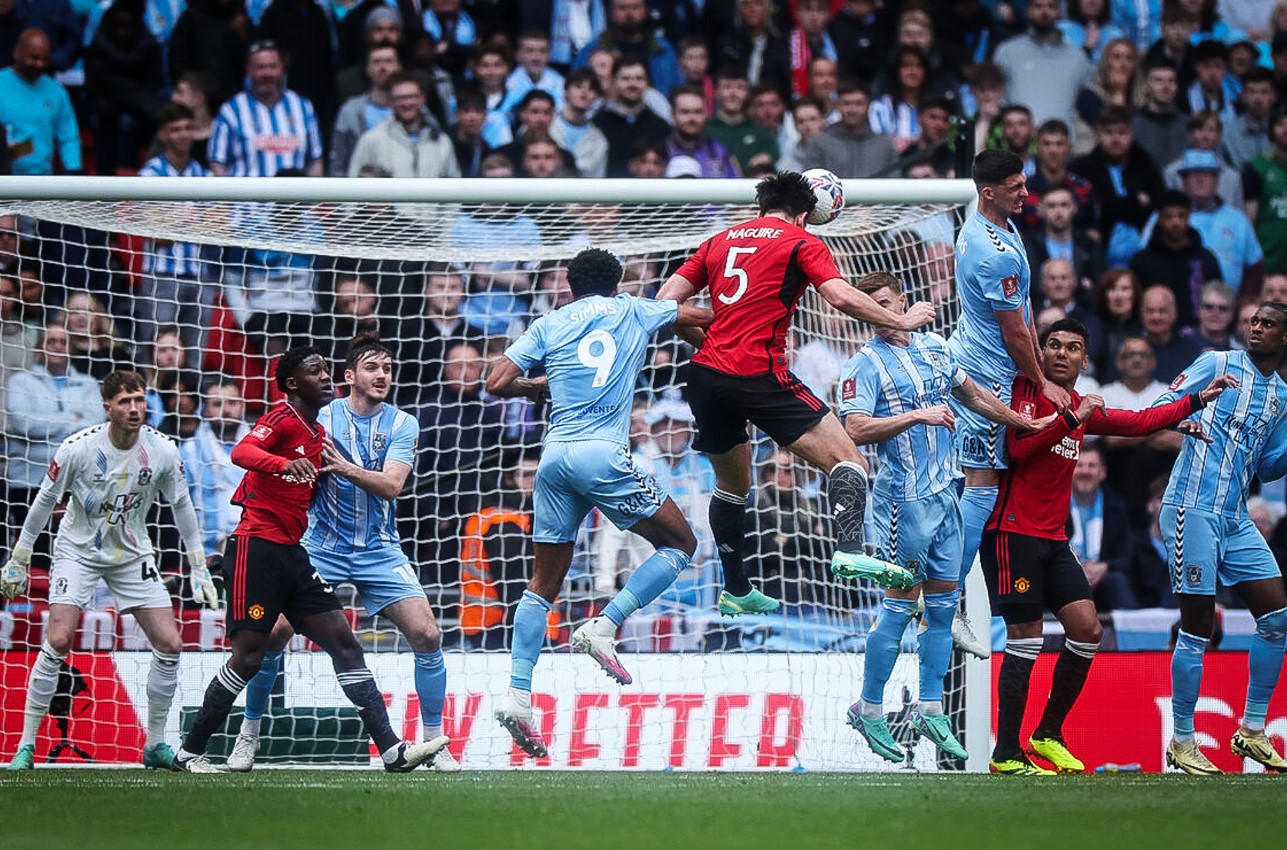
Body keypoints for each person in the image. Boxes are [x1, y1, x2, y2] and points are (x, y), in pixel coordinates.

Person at [656, 172, 938, 615]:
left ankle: (735, 588)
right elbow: (840, 298)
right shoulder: (800, 241)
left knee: (733, 484)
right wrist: (902, 321)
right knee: (849, 461)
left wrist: (714, 331)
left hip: (706, 378)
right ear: (805, 214)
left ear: (759, 207)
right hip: (759, 374)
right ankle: (848, 548)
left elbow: (664, 306)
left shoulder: (718, 241)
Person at [170, 347, 448, 773]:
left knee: (367, 641)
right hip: (296, 547)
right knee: (260, 646)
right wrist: (281, 471)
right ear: (350, 375)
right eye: (371, 367)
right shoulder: (293, 418)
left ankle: (399, 749)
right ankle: (232, 740)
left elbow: (391, 485)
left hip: (366, 548)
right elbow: (244, 456)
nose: (382, 375)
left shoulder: (337, 430)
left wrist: (330, 467)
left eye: (388, 368)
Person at [485, 248, 714, 757]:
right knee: (680, 543)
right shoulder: (633, 307)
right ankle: (605, 625)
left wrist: (536, 387)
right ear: (617, 283)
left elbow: (496, 381)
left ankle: (518, 694)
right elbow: (697, 315)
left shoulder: (549, 321)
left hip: (553, 458)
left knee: (543, 583)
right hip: (602, 454)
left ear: (569, 286)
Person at [981, 317, 1227, 775]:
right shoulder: (1021, 394)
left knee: (1088, 630)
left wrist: (1193, 403)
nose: (1060, 353)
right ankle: (1006, 754)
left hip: (1054, 540)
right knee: (1025, 640)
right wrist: (1072, 419)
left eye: (1071, 348)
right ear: (1040, 352)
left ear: (1084, 360)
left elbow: (1138, 421)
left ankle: (1048, 733)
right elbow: (1018, 451)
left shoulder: (1079, 405)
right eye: (1052, 344)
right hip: (1012, 533)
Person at [837, 271, 1049, 766]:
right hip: (902, 502)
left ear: (904, 301)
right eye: (874, 309)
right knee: (897, 606)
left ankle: (930, 707)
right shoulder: (863, 365)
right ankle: (868, 707)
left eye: (889, 304)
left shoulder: (935, 347)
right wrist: (918, 415)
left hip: (945, 498)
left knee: (942, 606)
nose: (884, 316)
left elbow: (972, 393)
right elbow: (856, 428)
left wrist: (1020, 421)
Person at [2, 370, 219, 771]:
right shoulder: (77, 449)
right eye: (125, 402)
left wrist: (198, 565)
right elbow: (44, 501)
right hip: (78, 551)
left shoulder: (163, 451)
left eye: (139, 400)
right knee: (60, 638)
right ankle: (26, 746)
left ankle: (155, 745)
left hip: (132, 555)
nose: (135, 409)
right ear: (108, 409)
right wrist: (19, 557)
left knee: (170, 644)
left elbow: (183, 507)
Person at [948, 149, 1072, 660]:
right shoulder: (993, 250)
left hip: (975, 361)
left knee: (970, 481)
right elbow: (1016, 329)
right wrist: (1042, 381)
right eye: (1017, 187)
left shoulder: (988, 226)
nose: (1027, 193)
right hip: (987, 379)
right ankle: (947, 594)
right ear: (989, 191)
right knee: (981, 482)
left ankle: (941, 587)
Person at [1158, 302, 1287, 774]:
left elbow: (1270, 468)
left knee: (1277, 618)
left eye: (1268, 324)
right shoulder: (1216, 363)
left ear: (1285, 338)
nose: (1256, 328)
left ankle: (1252, 731)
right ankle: (1183, 740)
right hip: (1191, 508)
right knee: (1197, 627)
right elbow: (1159, 404)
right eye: (1254, 321)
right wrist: (1181, 418)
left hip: (1234, 516)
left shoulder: (1280, 396)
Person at [135, 102, 213, 357]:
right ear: (164, 134)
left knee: (194, 356)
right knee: (155, 351)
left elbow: (217, 227)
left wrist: (173, 218)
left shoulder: (206, 176)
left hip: (200, 275)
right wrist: (195, 220)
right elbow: (155, 235)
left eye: (188, 128)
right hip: (161, 275)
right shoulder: (149, 176)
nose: (183, 134)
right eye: (176, 129)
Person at [208, 41, 324, 177]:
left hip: (295, 197)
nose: (268, 73)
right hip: (246, 197)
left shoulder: (303, 107)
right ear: (248, 70)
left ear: (282, 67)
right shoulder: (231, 111)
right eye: (261, 67)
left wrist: (317, 198)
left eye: (273, 66)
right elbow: (218, 165)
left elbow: (315, 161)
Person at [347, 72, 459, 179]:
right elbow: (353, 186)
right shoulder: (371, 140)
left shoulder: (441, 141)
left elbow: (455, 189)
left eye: (411, 97)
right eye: (400, 98)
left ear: (422, 99)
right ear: (390, 101)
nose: (407, 103)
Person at [0, 29, 81, 175]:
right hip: (5, 180)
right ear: (17, 52)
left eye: (44, 59)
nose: (39, 64)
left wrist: (73, 168)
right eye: (34, 58)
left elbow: (68, 135)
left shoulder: (56, 91)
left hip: (42, 181)